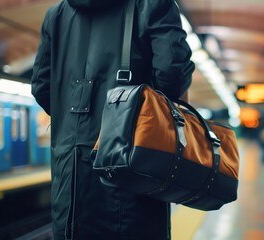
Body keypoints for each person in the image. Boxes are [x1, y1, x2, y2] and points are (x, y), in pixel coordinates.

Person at [31, 0, 194, 239]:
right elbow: (173, 72)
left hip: (69, 183)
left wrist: (73, 121)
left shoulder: (55, 16)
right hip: (134, 172)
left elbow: (41, 87)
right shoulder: (153, 5)